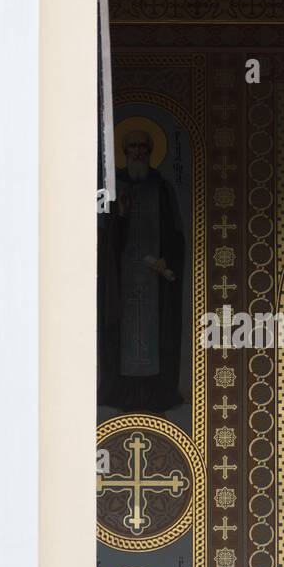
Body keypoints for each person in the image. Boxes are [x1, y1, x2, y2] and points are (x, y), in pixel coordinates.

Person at [98, 129, 185, 413]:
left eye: (142, 147)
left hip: (154, 282)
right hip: (122, 280)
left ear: (150, 152)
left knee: (154, 331)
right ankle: (120, 392)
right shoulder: (115, 187)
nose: (137, 151)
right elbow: (106, 238)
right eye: (132, 146)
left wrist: (166, 260)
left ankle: (155, 393)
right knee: (122, 332)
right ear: (125, 152)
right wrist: (120, 215)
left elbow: (176, 236)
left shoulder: (162, 188)